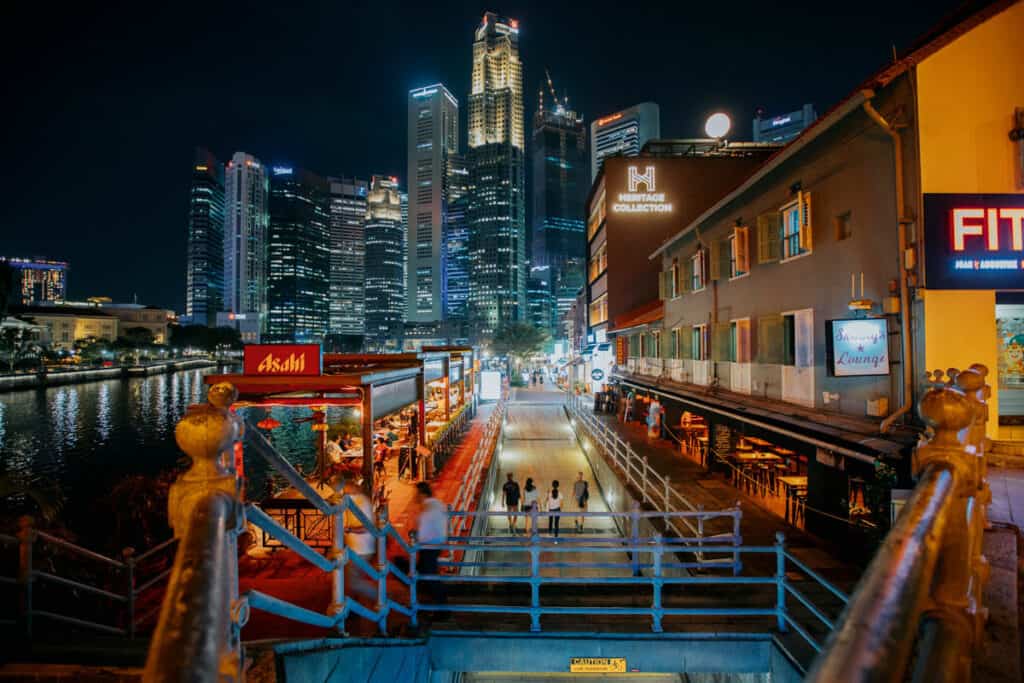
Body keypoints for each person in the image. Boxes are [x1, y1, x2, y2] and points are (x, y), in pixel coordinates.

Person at [340, 479, 377, 605]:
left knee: (353, 582)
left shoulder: (361, 502)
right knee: (350, 580)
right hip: (356, 548)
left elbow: (367, 527)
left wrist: (349, 529)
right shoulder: (353, 500)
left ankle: (381, 597)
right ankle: (353, 605)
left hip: (361, 549)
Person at [413, 482, 448, 611]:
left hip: (428, 547)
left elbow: (422, 534)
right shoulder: (438, 504)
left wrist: (415, 540)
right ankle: (430, 603)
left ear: (421, 494)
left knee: (429, 577)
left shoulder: (427, 510)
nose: (413, 497)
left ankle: (441, 607)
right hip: (436, 545)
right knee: (425, 575)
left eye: (415, 494)